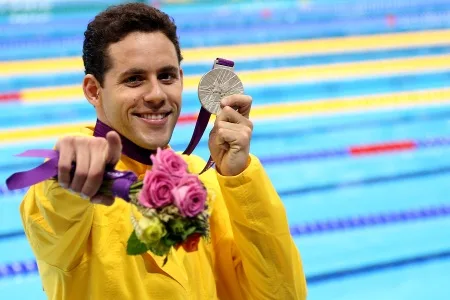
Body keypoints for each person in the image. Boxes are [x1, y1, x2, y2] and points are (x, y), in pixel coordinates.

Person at [19, 3, 307, 299]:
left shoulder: (207, 181)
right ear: (94, 90)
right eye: (134, 79)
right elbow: (52, 215)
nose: (157, 95)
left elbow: (283, 294)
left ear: (181, 78)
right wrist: (67, 176)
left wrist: (240, 178)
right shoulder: (75, 184)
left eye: (167, 76)